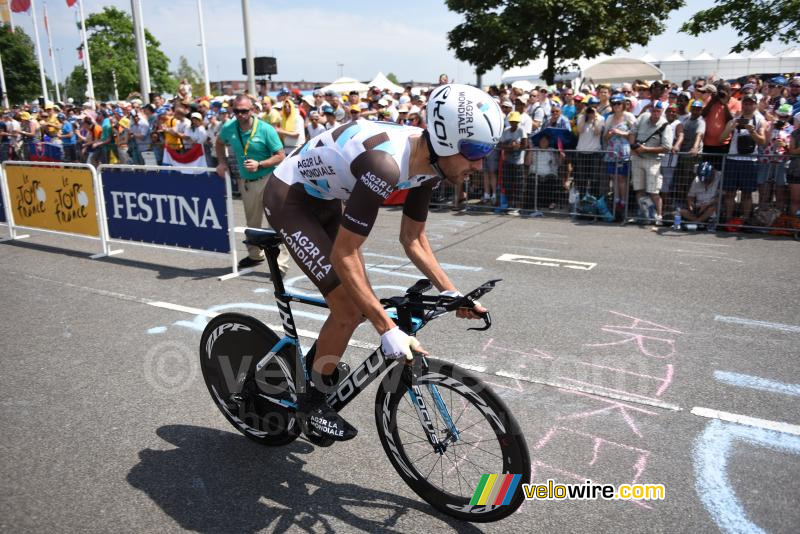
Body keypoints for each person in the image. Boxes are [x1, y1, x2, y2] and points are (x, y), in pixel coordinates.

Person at [262, 84, 500, 441]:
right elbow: (344, 253)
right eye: (475, 152)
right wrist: (387, 330)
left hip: (326, 195)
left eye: (487, 153)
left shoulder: (431, 165)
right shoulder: (385, 165)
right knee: (349, 308)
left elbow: (413, 239)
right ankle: (311, 404)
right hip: (290, 197)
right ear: (445, 141)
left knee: (359, 302)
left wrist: (451, 293)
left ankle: (314, 368)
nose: (479, 165)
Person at [216, 94, 290, 272]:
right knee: (252, 223)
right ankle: (255, 255)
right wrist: (222, 162)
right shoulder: (229, 127)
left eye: (244, 111)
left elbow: (281, 156)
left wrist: (260, 164)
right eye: (236, 111)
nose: (240, 115)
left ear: (253, 111)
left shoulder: (265, 129)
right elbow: (219, 143)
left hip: (269, 180)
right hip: (247, 182)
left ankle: (281, 265)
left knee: (276, 222)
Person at [719, 93, 767, 221]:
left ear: (755, 104)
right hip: (733, 159)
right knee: (730, 193)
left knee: (747, 193)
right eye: (745, 103)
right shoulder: (735, 118)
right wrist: (730, 128)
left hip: (750, 160)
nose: (748, 106)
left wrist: (752, 131)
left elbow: (762, 141)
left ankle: (745, 219)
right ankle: (729, 220)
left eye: (751, 103)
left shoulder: (760, 120)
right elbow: (721, 139)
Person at [629, 100, 673, 225]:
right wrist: (633, 147)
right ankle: (643, 214)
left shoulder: (665, 125)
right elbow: (632, 132)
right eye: (653, 110)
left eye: (658, 111)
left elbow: (667, 147)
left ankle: (658, 217)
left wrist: (645, 149)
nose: (655, 113)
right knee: (639, 189)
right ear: (650, 110)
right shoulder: (643, 117)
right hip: (637, 158)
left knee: (654, 191)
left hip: (653, 161)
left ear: (662, 111)